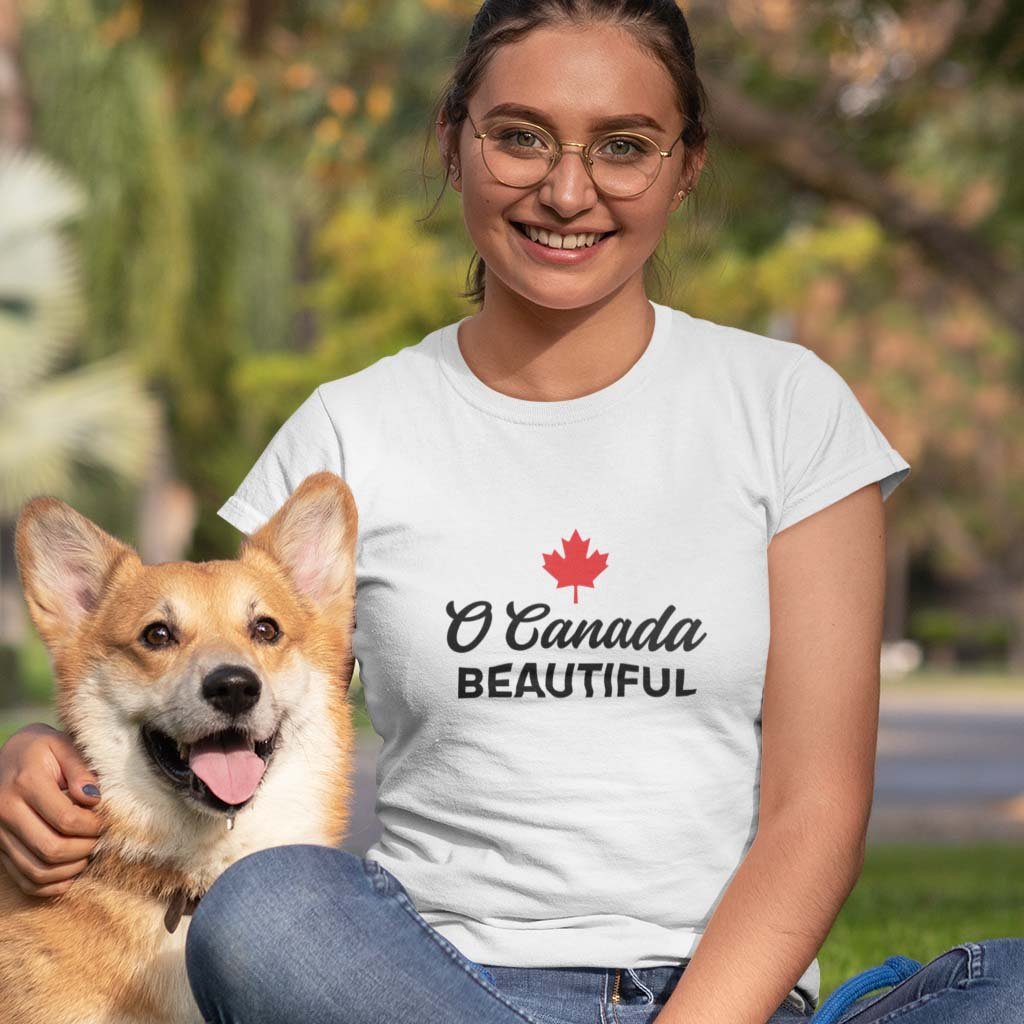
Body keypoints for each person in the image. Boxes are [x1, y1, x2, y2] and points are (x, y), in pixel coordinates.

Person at [2, 3, 1022, 1023]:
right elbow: (220, 676)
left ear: (687, 163)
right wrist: (34, 760)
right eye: (521, 135)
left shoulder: (788, 408)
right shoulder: (350, 430)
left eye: (623, 146)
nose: (567, 190)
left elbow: (818, 810)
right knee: (267, 912)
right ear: (453, 142)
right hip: (424, 987)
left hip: (727, 1000)